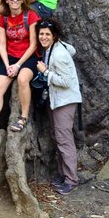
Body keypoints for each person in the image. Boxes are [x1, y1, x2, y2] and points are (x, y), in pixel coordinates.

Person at [0, 0, 40, 142]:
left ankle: (23, 117)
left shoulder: (31, 16)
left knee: (22, 79)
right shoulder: (3, 19)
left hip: (28, 58)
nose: (15, 0)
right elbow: (2, 44)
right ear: (6, 1)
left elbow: (33, 44)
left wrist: (18, 65)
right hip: (10, 58)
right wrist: (8, 64)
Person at [36, 19, 81, 195]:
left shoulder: (59, 54)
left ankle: (71, 180)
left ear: (54, 36)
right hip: (57, 99)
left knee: (64, 139)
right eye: (41, 34)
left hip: (65, 101)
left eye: (47, 34)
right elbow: (73, 50)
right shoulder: (53, 48)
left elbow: (65, 81)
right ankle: (64, 175)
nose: (44, 37)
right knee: (58, 136)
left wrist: (45, 72)